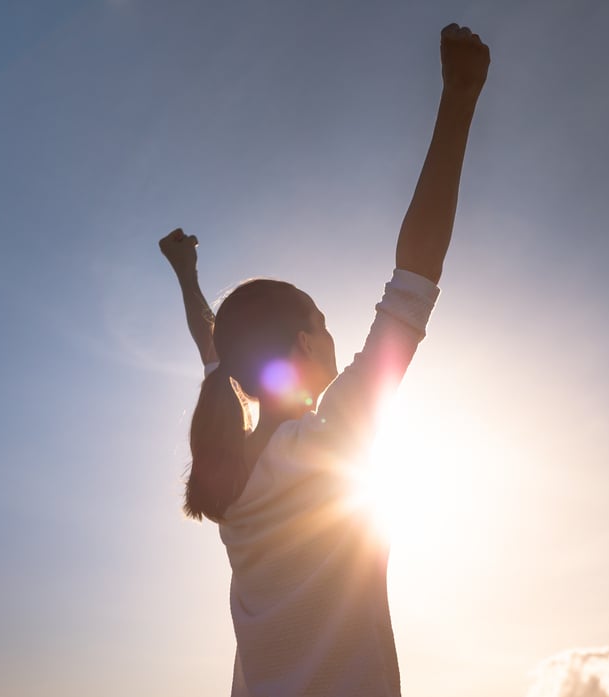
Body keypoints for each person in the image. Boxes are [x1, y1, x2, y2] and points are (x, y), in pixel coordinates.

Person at [159, 23, 489, 697]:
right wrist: (458, 102)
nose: (337, 339)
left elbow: (211, 348)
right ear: (306, 344)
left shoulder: (231, 478)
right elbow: (414, 277)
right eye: (326, 324)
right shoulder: (332, 436)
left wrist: (187, 275)